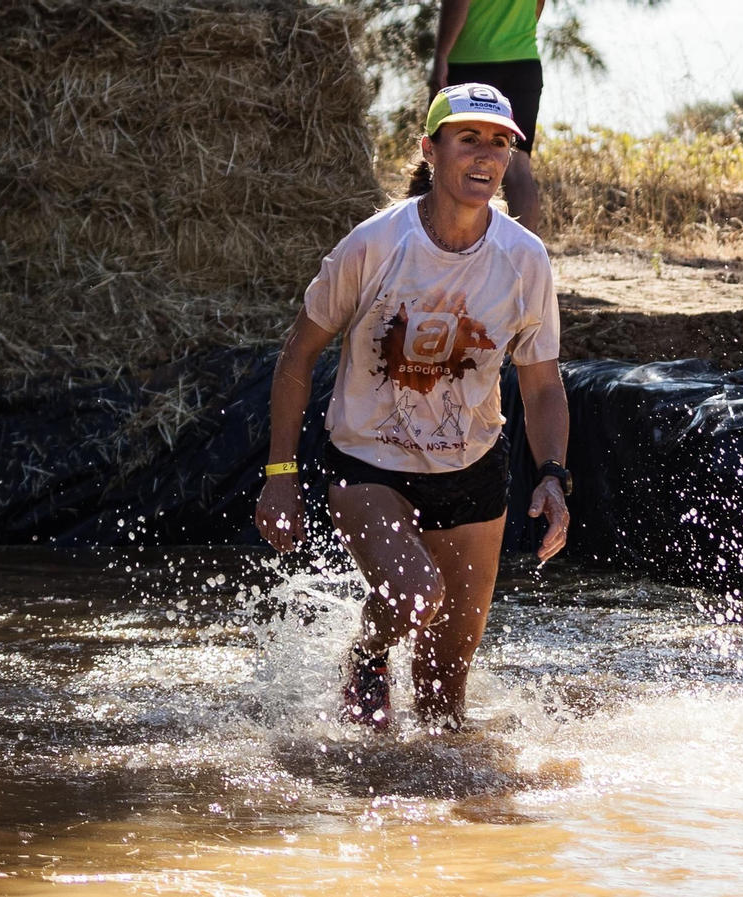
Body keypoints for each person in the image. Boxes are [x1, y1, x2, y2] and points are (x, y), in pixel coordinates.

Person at [255, 83, 572, 732]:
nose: (486, 154)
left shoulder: (525, 259)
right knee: (415, 594)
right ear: (430, 150)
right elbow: (297, 356)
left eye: (501, 142)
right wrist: (280, 476)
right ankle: (368, 654)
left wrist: (553, 476)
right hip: (370, 463)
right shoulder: (373, 245)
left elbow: (540, 384)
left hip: (473, 471)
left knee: (443, 705)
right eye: (469, 139)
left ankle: (429, 831)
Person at [428, 0, 546, 234]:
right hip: (524, 61)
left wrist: (441, 55)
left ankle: (444, 250)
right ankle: (525, 259)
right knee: (519, 166)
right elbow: (538, 6)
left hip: (471, 58)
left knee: (444, 156)